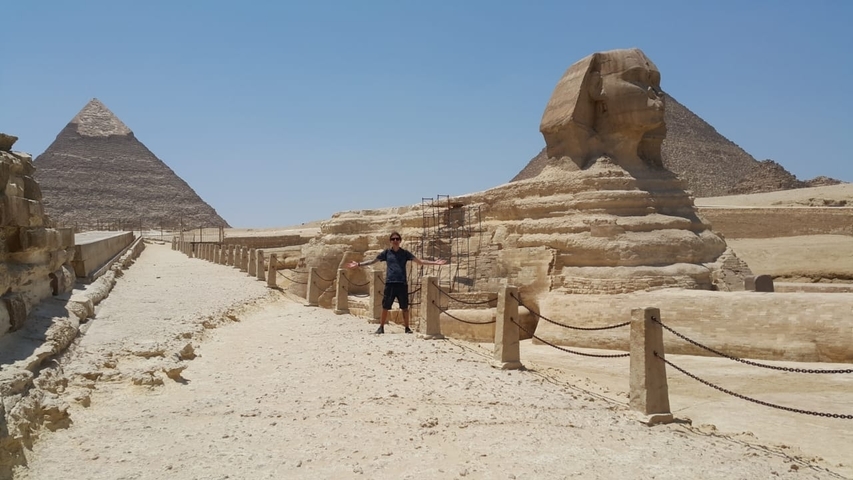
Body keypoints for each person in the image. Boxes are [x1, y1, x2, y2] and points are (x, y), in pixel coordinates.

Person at [345, 231, 447, 334]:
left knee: (404, 307)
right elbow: (372, 261)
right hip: (390, 283)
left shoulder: (405, 253)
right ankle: (381, 327)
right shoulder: (386, 253)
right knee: (385, 307)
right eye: (393, 239)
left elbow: (419, 262)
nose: (395, 241)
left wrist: (435, 263)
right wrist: (358, 264)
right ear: (390, 241)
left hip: (402, 283)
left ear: (400, 241)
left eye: (397, 239)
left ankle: (407, 328)